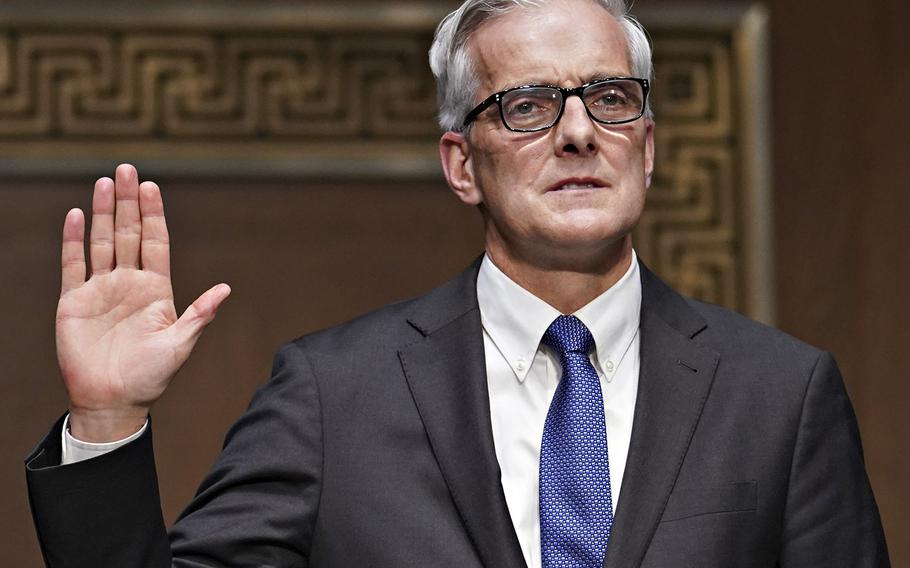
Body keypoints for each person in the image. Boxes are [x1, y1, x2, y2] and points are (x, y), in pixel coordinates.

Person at [25, 0, 889, 566]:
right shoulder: (334, 395)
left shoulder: (782, 393)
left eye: (612, 98)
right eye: (528, 106)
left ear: (650, 147)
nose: (581, 132)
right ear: (461, 163)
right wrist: (108, 418)